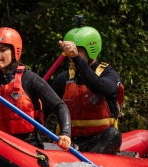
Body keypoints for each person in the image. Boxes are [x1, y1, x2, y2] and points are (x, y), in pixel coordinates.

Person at [0, 27, 72, 150]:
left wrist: (65, 134)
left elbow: (59, 106)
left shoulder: (29, 78)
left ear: (14, 52)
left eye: (2, 50)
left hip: (28, 146)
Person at [51, 26, 123, 154]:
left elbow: (98, 86)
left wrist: (77, 59)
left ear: (92, 51)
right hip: (69, 142)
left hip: (101, 141)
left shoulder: (109, 74)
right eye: (71, 52)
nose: (72, 56)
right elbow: (43, 109)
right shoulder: (63, 79)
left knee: (114, 134)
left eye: (78, 51)